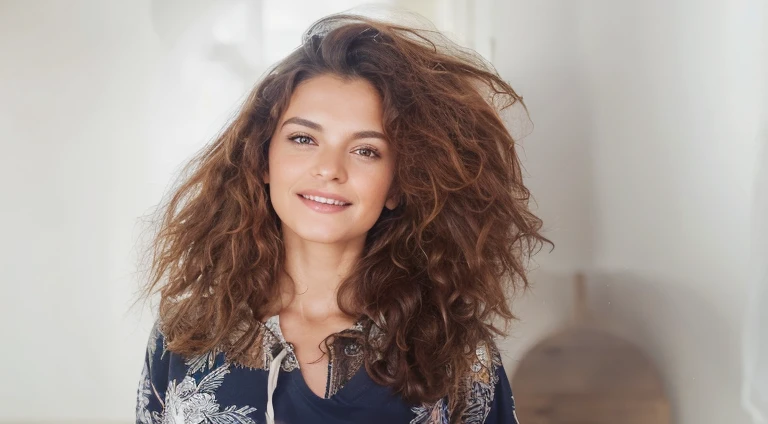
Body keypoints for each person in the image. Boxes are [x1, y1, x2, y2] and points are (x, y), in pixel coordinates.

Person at [136, 11, 551, 424]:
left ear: (397, 185)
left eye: (366, 150)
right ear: (262, 160)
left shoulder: (455, 351)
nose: (330, 168)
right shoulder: (184, 335)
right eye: (303, 138)